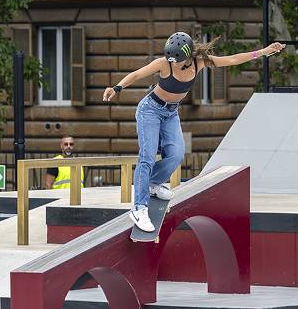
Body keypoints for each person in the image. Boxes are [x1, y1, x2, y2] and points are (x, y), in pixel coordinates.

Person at [103, 32, 285, 232]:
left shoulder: (200, 62)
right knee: (146, 156)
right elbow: (138, 74)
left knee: (176, 155)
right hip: (150, 110)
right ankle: (139, 207)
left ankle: (153, 183)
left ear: (188, 56)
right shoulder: (164, 64)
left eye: (179, 61)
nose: (176, 65)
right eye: (173, 61)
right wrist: (117, 87)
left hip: (171, 113)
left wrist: (264, 52)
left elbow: (232, 59)